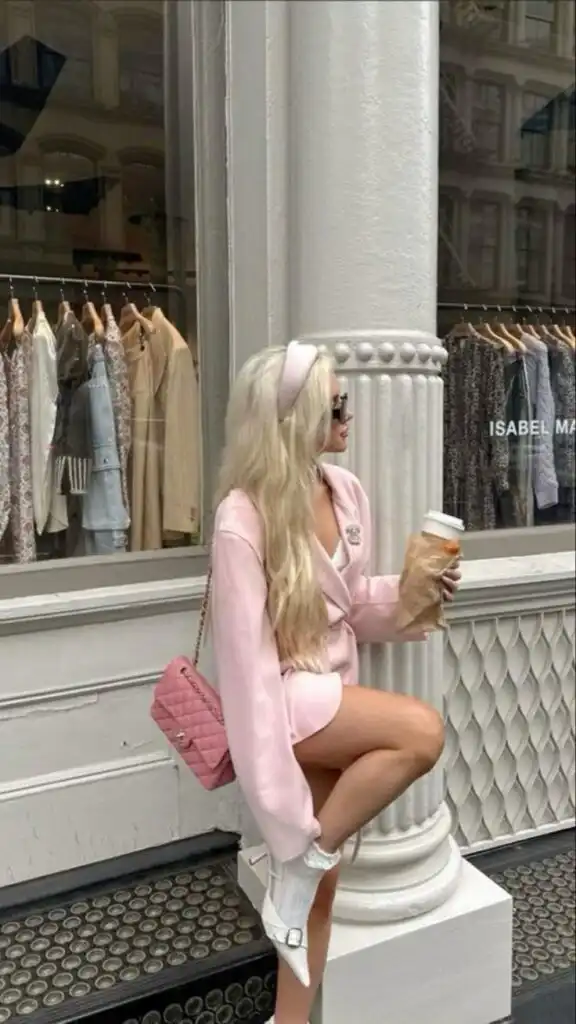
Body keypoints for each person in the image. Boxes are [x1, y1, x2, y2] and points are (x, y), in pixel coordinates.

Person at [210, 342, 461, 1024]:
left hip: (333, 694)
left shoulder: (343, 491)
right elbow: (247, 675)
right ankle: (296, 865)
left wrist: (414, 593)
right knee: (420, 732)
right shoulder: (243, 517)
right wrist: (280, 812)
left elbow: (350, 604)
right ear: (295, 416)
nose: (349, 415)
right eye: (336, 405)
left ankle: (287, 1021)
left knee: (320, 893)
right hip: (290, 698)